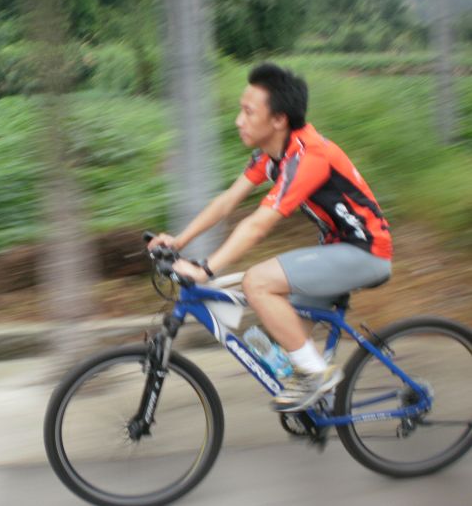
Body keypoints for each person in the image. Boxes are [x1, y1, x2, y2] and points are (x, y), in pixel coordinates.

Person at [147, 63, 392, 412]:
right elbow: (227, 201)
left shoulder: (309, 156)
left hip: (366, 253)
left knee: (257, 282)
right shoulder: (272, 156)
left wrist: (205, 268)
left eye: (248, 112)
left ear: (278, 119)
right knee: (272, 342)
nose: (238, 120)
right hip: (336, 251)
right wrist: (178, 241)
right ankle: (317, 405)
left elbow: (258, 225)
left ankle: (316, 375)